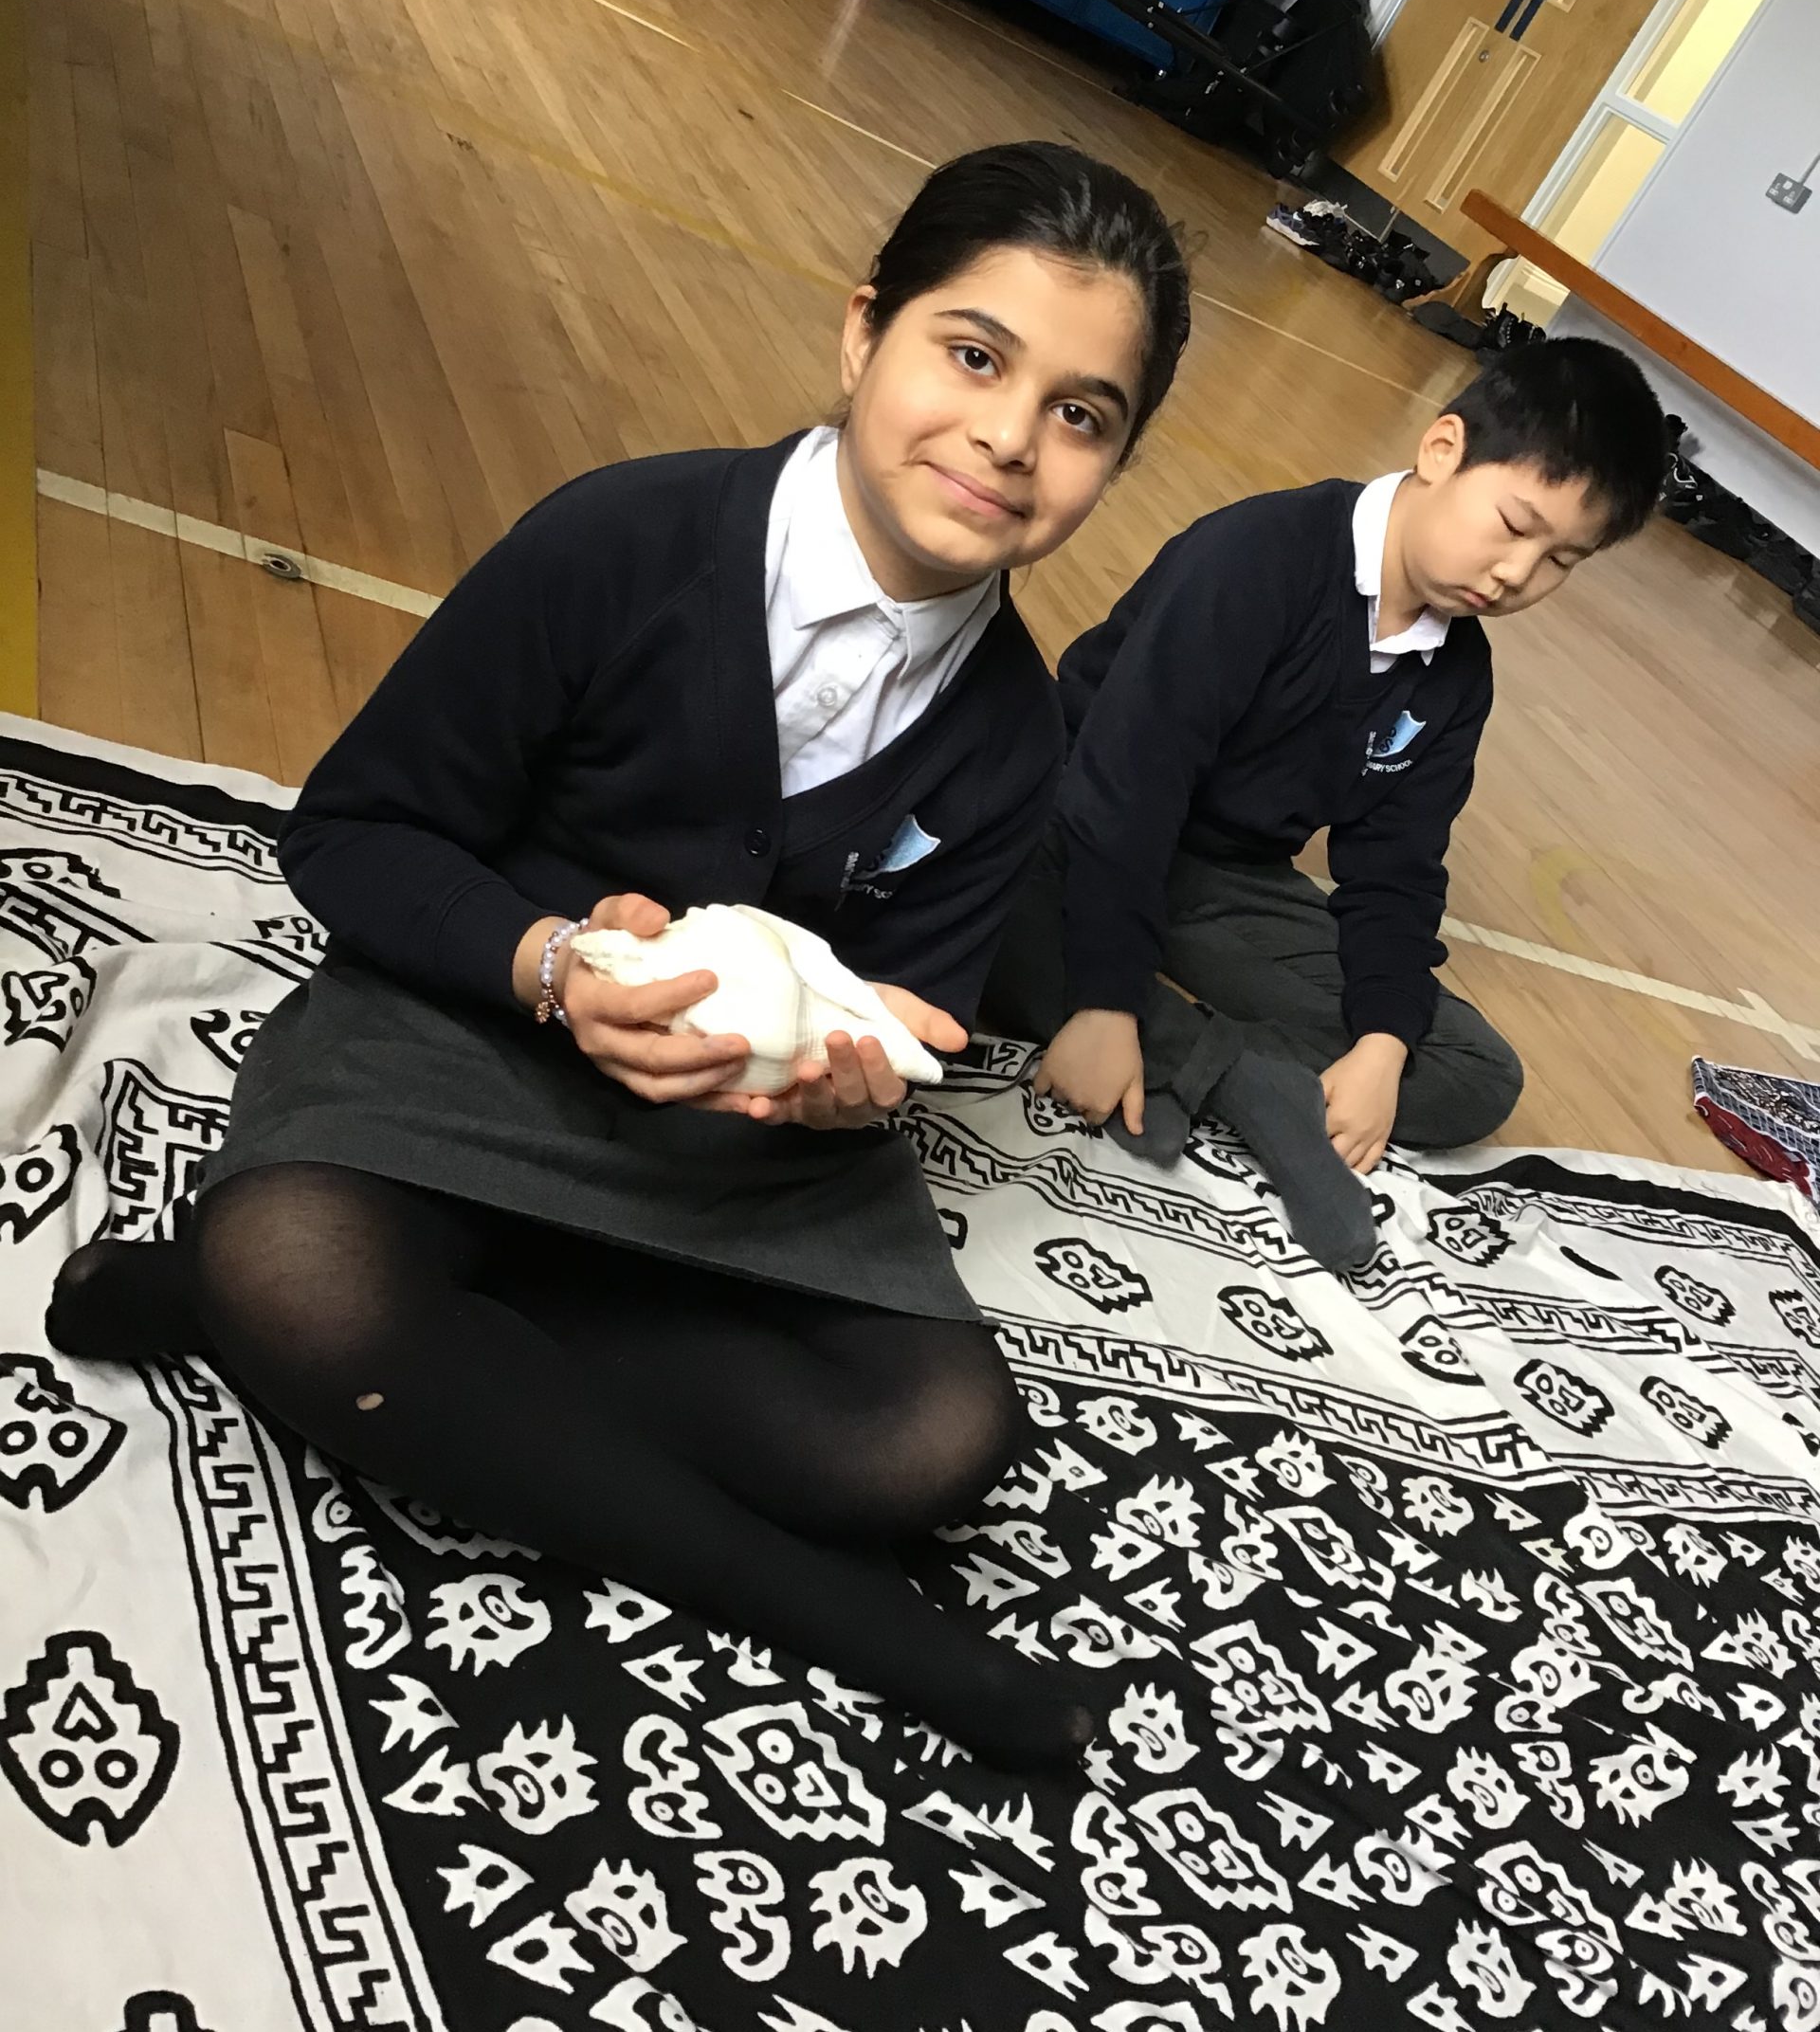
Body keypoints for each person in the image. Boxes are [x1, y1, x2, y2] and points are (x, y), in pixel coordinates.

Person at [48, 140, 1192, 1771]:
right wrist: (549, 958)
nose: (1011, 436)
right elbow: (351, 836)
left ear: (1116, 462)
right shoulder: (619, 541)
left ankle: (311, 1322)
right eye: (972, 354)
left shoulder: (1016, 731)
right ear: (862, 332)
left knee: (938, 1444)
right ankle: (860, 1626)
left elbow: (912, 1018)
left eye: (1082, 413)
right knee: (309, 1267)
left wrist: (851, 1087)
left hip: (732, 1147)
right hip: (477, 1029)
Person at [981, 337, 1668, 1274]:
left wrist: (1382, 1044)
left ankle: (1201, 1056)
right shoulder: (1257, 557)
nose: (1518, 572)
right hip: (1075, 818)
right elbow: (1127, 791)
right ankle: (1236, 1076)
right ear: (1442, 449)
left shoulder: (1458, 674)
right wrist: (1104, 1000)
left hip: (1224, 877)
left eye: (1560, 561)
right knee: (953, 909)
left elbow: (1396, 870)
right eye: (1515, 524)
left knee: (1473, 1073)